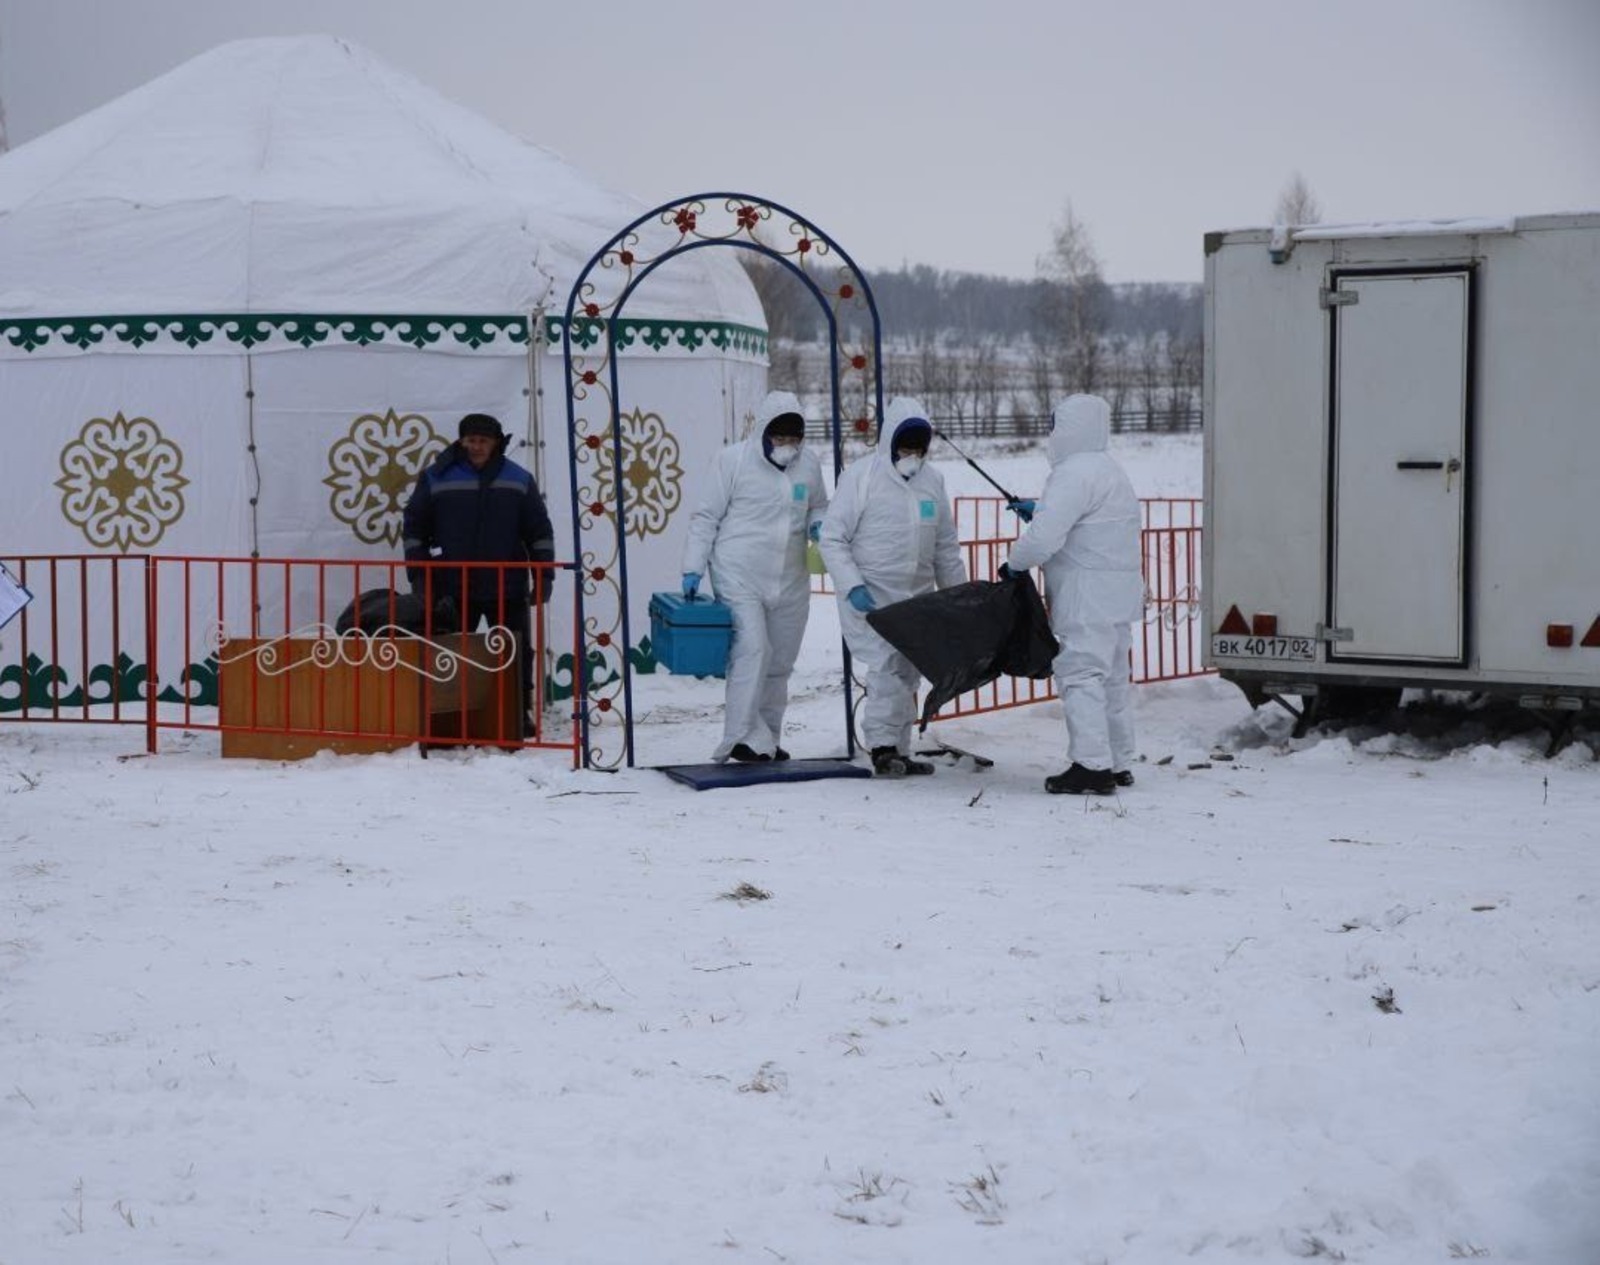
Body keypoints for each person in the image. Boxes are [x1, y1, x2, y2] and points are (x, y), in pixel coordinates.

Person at [1002, 394, 1142, 794]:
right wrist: (1042, 509)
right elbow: (1087, 523)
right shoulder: (1111, 470)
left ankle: (1091, 767)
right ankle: (1118, 762)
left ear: (1067, 429)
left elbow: (1044, 538)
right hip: (1119, 594)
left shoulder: (1072, 473)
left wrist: (1015, 564)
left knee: (1081, 675)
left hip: (1087, 595)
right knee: (1112, 679)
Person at [680, 391, 829, 764]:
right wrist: (693, 567)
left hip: (790, 578)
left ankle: (766, 740)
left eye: (793, 438)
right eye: (779, 437)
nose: (787, 445)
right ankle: (741, 737)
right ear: (763, 432)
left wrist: (818, 525)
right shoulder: (732, 461)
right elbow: (706, 516)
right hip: (739, 574)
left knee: (779, 662)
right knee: (753, 650)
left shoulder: (809, 465)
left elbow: (819, 505)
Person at [819, 396, 965, 776]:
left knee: (909, 670)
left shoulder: (933, 481)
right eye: (905, 448)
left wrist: (958, 595)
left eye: (919, 449)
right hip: (872, 595)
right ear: (889, 443)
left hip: (917, 597)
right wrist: (851, 584)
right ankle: (883, 746)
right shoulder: (862, 478)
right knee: (887, 666)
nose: (912, 456)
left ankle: (900, 748)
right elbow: (832, 538)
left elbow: (945, 547)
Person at [402, 412, 555, 722]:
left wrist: (544, 575)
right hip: (451, 587)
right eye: (471, 440)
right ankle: (447, 718)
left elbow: (539, 530)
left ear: (496, 443)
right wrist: (418, 574)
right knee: (450, 653)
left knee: (515, 652)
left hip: (507, 586)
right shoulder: (435, 477)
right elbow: (414, 528)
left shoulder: (519, 479)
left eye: (483, 441)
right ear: (461, 441)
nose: (476, 446)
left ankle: (518, 714)